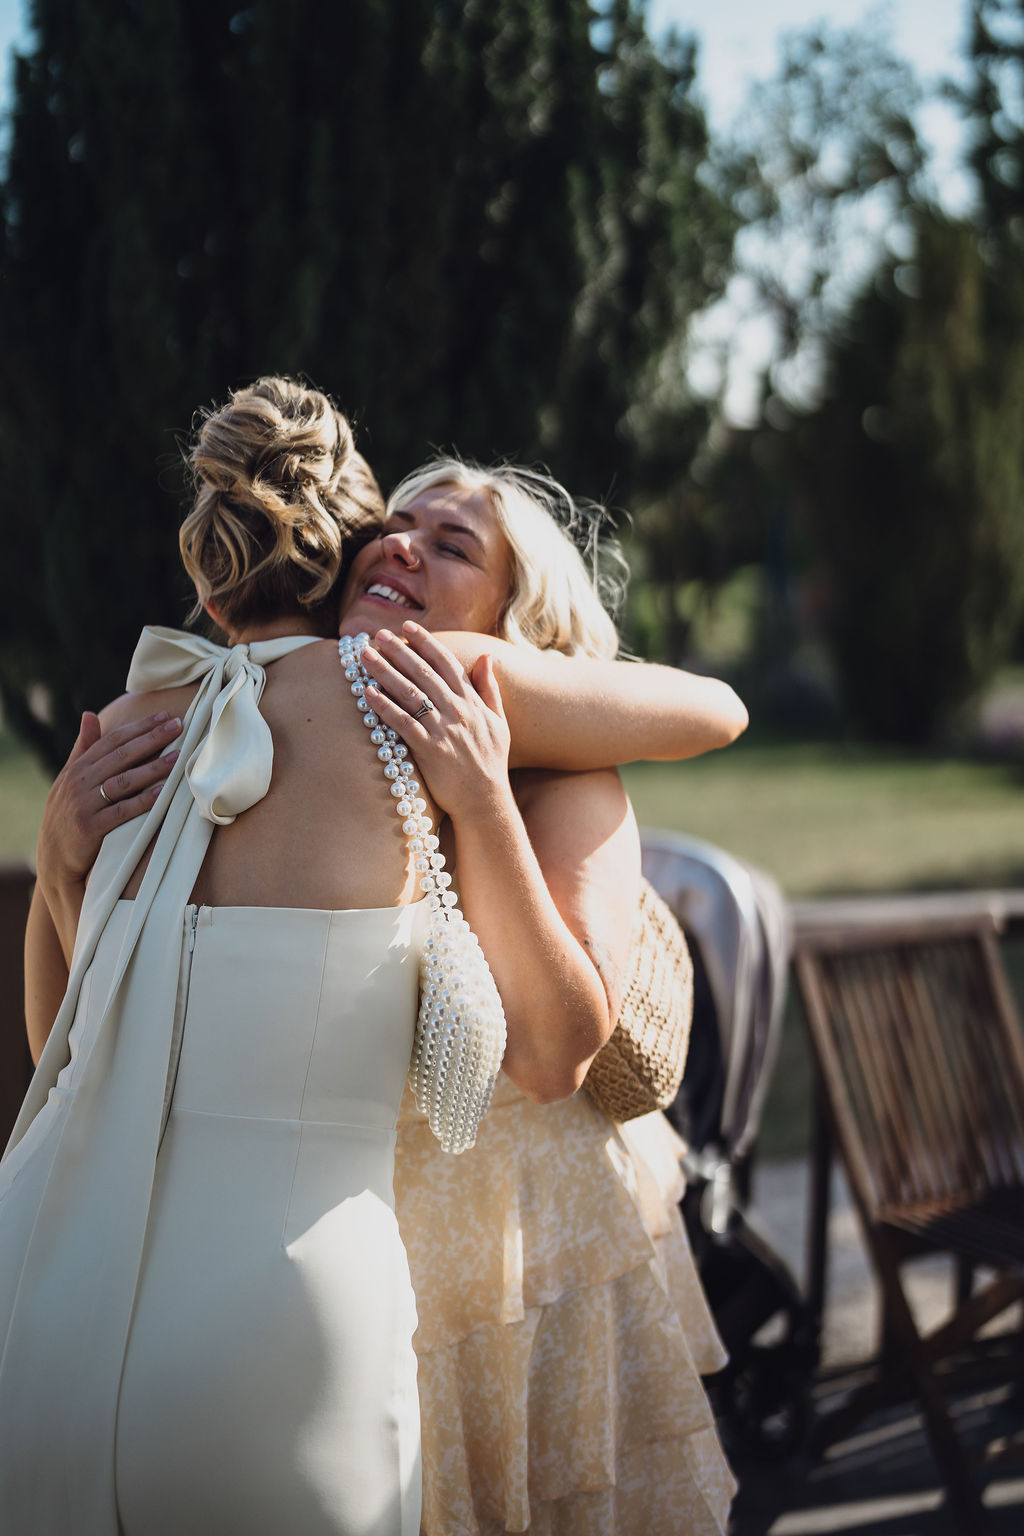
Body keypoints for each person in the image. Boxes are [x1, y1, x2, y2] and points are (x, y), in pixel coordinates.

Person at [28, 411, 745, 1535]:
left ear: (510, 633)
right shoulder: (255, 734)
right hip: (315, 1274)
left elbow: (558, 1052)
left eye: (451, 546)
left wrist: (481, 795)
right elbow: (92, 1043)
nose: (403, 545)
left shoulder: (566, 780)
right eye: (393, 526)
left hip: (509, 1275)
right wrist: (64, 860)